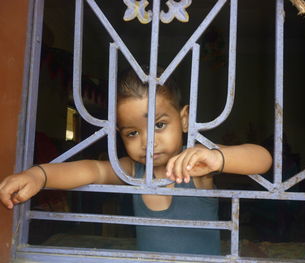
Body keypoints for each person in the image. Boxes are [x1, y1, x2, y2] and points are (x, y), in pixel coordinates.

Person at [0, 68, 272, 255]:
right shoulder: (132, 170)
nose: (148, 142)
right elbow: (91, 169)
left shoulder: (198, 164)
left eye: (160, 125)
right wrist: (39, 176)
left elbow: (263, 159)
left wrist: (217, 157)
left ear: (185, 119)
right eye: (133, 133)